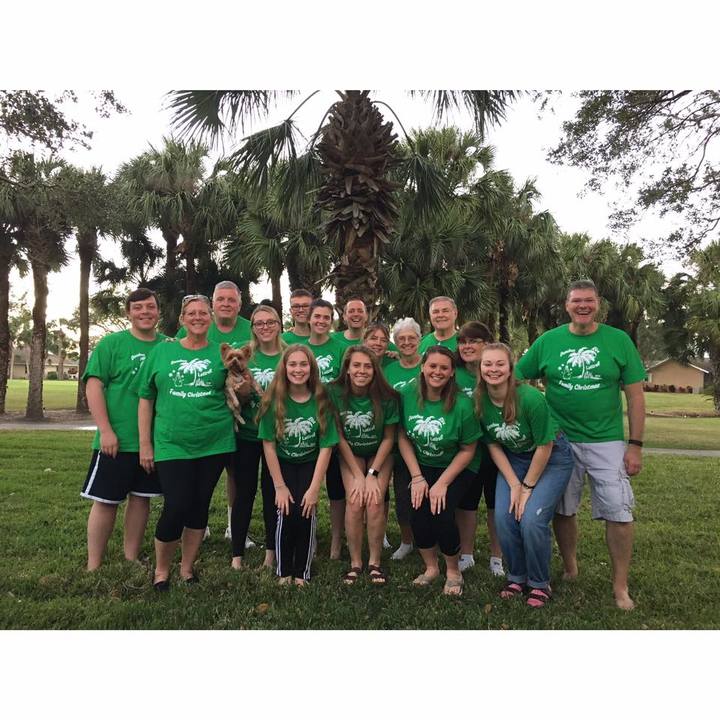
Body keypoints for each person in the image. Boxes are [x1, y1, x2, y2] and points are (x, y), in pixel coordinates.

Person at [515, 279, 646, 610]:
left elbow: (635, 396)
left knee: (618, 512)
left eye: (588, 300)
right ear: (567, 305)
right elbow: (515, 378)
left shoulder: (618, 341)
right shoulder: (548, 341)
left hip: (608, 442)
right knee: (563, 509)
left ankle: (620, 586)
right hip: (559, 442)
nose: (583, 306)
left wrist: (635, 445)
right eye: (577, 301)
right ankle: (571, 567)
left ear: (597, 304)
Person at [135, 294, 236, 590]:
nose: (198, 317)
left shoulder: (222, 352)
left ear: (211, 318)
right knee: (176, 505)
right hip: (171, 443)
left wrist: (242, 389)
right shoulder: (162, 352)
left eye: (203, 313)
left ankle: (187, 568)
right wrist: (145, 443)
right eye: (191, 313)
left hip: (214, 442)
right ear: (182, 319)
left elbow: (238, 390)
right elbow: (145, 397)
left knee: (199, 505)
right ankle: (162, 570)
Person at [476, 343, 574, 608]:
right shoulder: (480, 399)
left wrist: (527, 487)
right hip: (514, 459)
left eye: (500, 364)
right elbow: (493, 444)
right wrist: (513, 483)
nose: (493, 369)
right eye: (488, 364)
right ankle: (516, 577)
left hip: (552, 458)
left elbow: (546, 445)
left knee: (531, 519)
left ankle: (539, 583)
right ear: (480, 368)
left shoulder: (530, 398)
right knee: (504, 517)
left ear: (510, 369)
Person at [80, 288, 166, 571]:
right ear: (128, 312)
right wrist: (105, 430)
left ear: (158, 311)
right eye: (138, 307)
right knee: (106, 501)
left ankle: (131, 557)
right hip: (115, 440)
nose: (145, 312)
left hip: (151, 443)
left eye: (150, 307)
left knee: (141, 499)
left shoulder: (167, 346)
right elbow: (93, 386)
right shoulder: (112, 344)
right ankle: (94, 563)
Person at [398, 346, 480, 596]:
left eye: (444, 367)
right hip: (422, 463)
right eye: (432, 366)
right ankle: (431, 567)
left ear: (452, 372)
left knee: (441, 510)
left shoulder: (463, 405)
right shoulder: (407, 394)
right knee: (417, 511)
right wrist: (417, 476)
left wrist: (442, 483)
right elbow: (402, 436)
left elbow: (468, 449)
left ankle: (453, 571)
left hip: (458, 464)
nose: (437, 371)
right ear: (422, 367)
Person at [177, 280, 252, 546]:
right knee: (201, 474)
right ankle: (200, 523)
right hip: (202, 416)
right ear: (212, 303)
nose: (226, 304)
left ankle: (234, 527)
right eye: (221, 299)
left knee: (236, 474)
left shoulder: (249, 329)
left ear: (240, 303)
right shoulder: (198, 327)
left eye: (232, 300)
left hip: (239, 416)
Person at [257, 345, 339, 585]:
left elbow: (326, 447)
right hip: (282, 464)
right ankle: (283, 572)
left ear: (311, 368)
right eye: (292, 364)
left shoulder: (321, 399)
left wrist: (314, 488)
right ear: (284, 368)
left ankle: (302, 572)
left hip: (309, 463)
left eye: (303, 364)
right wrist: (279, 486)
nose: (298, 369)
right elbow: (269, 446)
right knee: (285, 511)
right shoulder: (274, 400)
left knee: (305, 511)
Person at [327, 346, 399, 585]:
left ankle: (375, 562)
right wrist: (359, 475)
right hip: (350, 452)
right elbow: (339, 435)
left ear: (375, 370)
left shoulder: (386, 395)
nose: (362, 371)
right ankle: (355, 562)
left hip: (380, 452)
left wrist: (372, 474)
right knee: (356, 499)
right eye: (356, 365)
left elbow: (389, 438)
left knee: (376, 499)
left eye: (367, 366)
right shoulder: (334, 392)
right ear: (347, 369)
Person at [230, 304, 284, 570]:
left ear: (278, 324)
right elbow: (234, 394)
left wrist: (260, 392)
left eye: (270, 322)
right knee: (244, 493)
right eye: (259, 323)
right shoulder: (244, 353)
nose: (265, 327)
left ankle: (271, 554)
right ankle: (236, 555)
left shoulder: (288, 355)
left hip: (276, 437)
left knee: (272, 492)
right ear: (252, 328)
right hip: (248, 436)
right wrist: (244, 392)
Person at [455, 321, 504, 577]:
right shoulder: (454, 371)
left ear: (487, 344)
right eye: (462, 341)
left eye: (474, 341)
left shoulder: (497, 370)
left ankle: (497, 557)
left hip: (499, 449)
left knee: (497, 504)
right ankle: (466, 554)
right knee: (467, 504)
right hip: (467, 452)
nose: (467, 346)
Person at [306, 298, 347, 558]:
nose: (321, 321)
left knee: (335, 486)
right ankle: (308, 535)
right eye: (317, 316)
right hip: (306, 425)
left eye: (326, 317)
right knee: (306, 485)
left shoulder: (340, 348)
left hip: (335, 423)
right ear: (308, 319)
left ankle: (335, 540)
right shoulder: (296, 346)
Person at [384, 317, 423, 561]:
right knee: (402, 492)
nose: (406, 342)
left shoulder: (429, 364)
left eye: (411, 338)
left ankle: (432, 539)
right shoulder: (389, 370)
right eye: (401, 339)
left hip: (430, 440)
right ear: (395, 342)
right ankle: (407, 541)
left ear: (420, 340)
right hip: (399, 441)